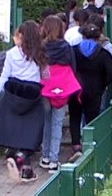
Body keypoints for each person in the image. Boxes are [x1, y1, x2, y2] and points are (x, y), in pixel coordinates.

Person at [0, 20, 45, 183]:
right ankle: (23, 159)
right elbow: (46, 75)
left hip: (13, 91)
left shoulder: (11, 53)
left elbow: (4, 76)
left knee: (14, 127)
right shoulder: (40, 53)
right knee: (32, 129)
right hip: (33, 93)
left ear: (21, 36)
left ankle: (14, 153)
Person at [69, 22, 112, 158]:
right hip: (94, 90)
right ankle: (90, 146)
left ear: (82, 35)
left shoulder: (73, 51)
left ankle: (76, 146)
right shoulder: (103, 53)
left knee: (75, 117)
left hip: (75, 89)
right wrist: (102, 83)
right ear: (98, 36)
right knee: (92, 118)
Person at [39, 15, 74, 171]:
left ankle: (45, 156)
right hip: (62, 88)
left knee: (46, 121)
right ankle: (54, 159)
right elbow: (73, 67)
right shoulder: (66, 47)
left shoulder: (41, 47)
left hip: (44, 87)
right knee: (57, 123)